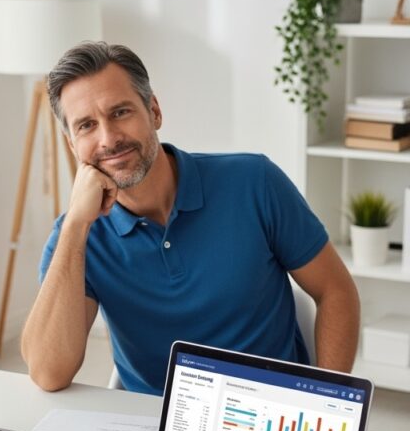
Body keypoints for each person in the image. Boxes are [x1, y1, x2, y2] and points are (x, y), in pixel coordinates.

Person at [22, 41, 359, 395]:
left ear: (154, 111)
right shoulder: (76, 235)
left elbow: (335, 291)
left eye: (120, 112)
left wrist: (326, 401)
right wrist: (76, 225)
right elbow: (48, 373)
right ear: (72, 144)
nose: (108, 139)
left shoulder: (254, 182)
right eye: (86, 126)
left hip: (267, 412)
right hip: (157, 421)